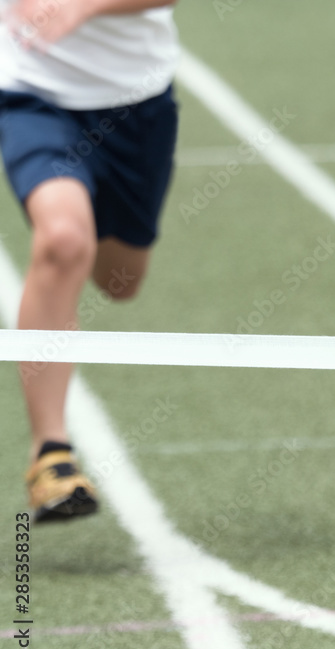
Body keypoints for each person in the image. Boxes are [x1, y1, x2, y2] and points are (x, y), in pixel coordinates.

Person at [0, 0, 180, 521]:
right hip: (29, 92)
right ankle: (51, 454)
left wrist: (83, 7)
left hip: (135, 103)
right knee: (62, 242)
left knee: (120, 280)